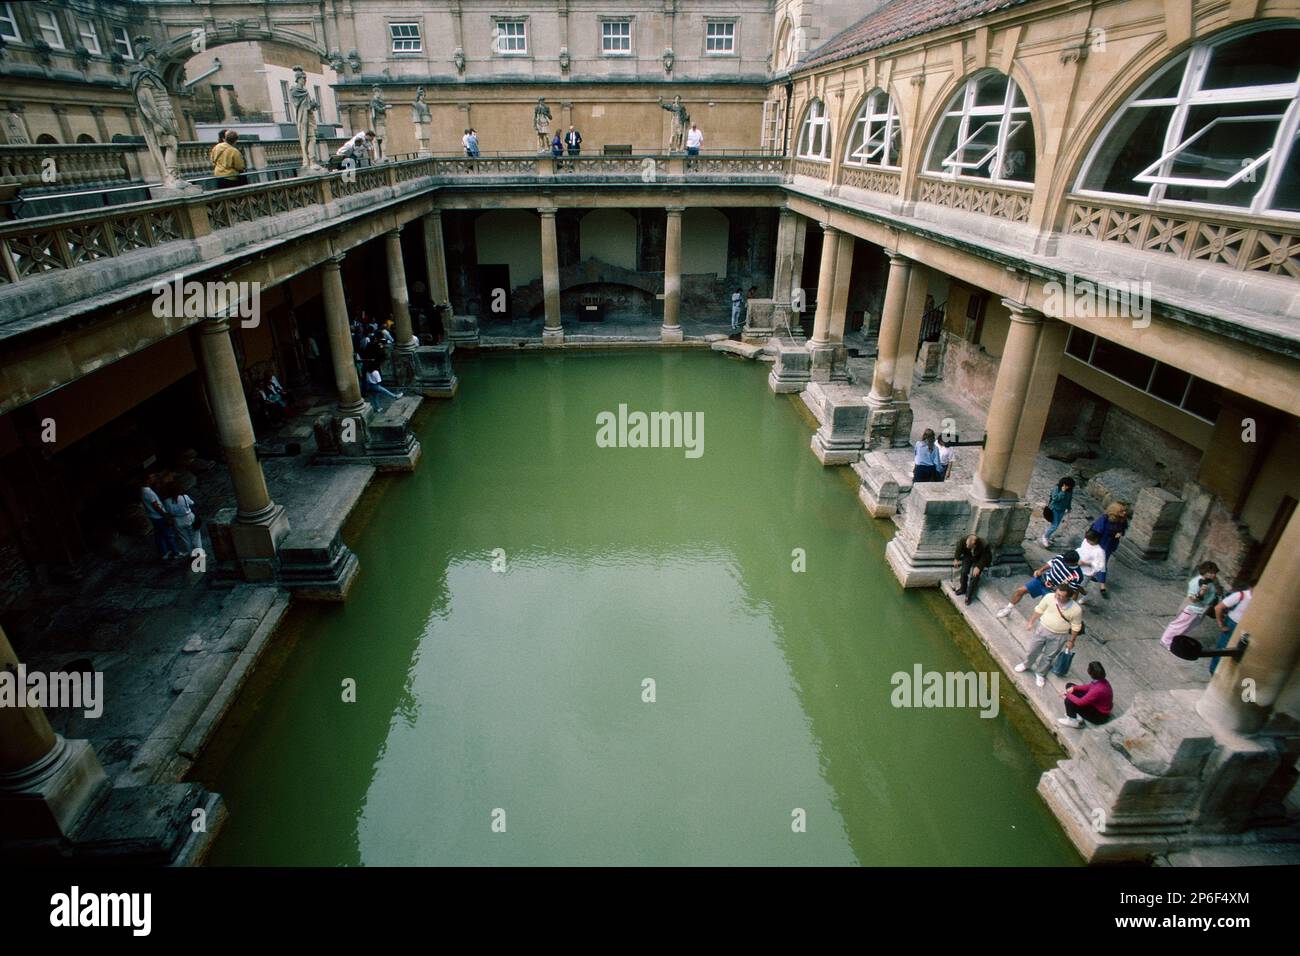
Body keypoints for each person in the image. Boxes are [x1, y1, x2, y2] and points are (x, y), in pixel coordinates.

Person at [1015, 583, 1083, 687]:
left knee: (1049, 656)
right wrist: (1031, 621)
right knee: (1032, 650)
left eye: (1061, 596)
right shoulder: (1049, 597)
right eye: (1057, 594)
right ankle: (1026, 664)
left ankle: (1040, 673)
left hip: (1059, 635)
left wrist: (1071, 641)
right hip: (1043, 628)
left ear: (1068, 597)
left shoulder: (1076, 610)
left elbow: (1076, 626)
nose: (1058, 597)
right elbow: (1039, 609)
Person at [997, 550, 1083, 617]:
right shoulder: (1061, 557)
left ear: (1073, 563)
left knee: (1042, 609)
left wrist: (1065, 602)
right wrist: (1040, 570)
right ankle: (1008, 609)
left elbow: (1072, 591)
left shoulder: (1077, 575)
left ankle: (1038, 625)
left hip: (1053, 591)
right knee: (1020, 590)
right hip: (1042, 580)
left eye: (1066, 562)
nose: (1063, 562)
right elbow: (1050, 564)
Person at [1160, 561, 1222, 650]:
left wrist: (1216, 586)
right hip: (1192, 609)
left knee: (1188, 627)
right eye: (1211, 573)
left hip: (1202, 609)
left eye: (1215, 573)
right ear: (1204, 572)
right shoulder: (1196, 582)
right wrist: (1201, 593)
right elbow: (1192, 599)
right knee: (1178, 625)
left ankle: (1175, 640)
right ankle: (1165, 641)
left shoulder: (1212, 581)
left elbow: (1217, 591)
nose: (1214, 575)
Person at [1209, 579, 1253, 674]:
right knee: (1223, 647)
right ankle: (1214, 670)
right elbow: (1218, 608)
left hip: (1246, 627)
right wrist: (1221, 624)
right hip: (1233, 623)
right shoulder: (1240, 595)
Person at [1088, 501, 1128, 599]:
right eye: (1121, 511)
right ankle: (1102, 585)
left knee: (1102, 562)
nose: (1124, 513)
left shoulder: (1122, 520)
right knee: (1102, 563)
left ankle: (1095, 573)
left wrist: (1120, 533)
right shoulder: (1104, 519)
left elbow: (1123, 529)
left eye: (1124, 511)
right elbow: (1097, 530)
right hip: (1102, 542)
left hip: (1110, 544)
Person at [1059, 661, 1113, 728]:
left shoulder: (1097, 690)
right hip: (1095, 705)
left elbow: (1080, 702)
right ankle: (1077, 714)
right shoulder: (1101, 680)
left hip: (1099, 716)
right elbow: (1089, 687)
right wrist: (1074, 687)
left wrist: (1066, 694)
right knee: (1070, 686)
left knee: (1069, 701)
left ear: (1090, 672)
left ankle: (1072, 721)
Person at [140, 475, 179, 559]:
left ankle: (164, 553)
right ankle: (176, 553)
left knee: (159, 536)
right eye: (152, 477)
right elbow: (156, 506)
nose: (154, 478)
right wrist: (166, 516)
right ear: (147, 480)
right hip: (159, 516)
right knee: (169, 535)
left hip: (153, 516)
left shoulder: (143, 491)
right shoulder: (149, 492)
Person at [162, 480, 200, 559]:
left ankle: (191, 554)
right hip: (189, 517)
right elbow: (192, 504)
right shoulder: (184, 497)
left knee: (186, 539)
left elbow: (167, 511)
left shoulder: (166, 501)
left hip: (177, 521)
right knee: (195, 537)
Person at [952, 534, 991, 606]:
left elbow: (986, 557)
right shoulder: (964, 540)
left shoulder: (984, 545)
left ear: (974, 544)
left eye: (968, 545)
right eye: (966, 544)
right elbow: (959, 548)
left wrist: (979, 567)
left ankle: (968, 596)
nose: (966, 546)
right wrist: (956, 558)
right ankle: (963, 588)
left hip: (979, 559)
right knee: (964, 571)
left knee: (975, 575)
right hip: (968, 556)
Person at [1074, 529, 1107, 605]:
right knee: (1077, 586)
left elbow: (1100, 566)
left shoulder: (1099, 551)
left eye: (1089, 540)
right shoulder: (1086, 541)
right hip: (1078, 568)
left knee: (1076, 589)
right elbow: (1081, 550)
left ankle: (1071, 605)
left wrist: (1087, 564)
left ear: (1095, 540)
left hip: (1087, 573)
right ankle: (1087, 595)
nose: (1087, 541)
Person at [1041, 476, 1075, 547]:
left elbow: (1069, 500)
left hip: (1062, 510)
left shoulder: (1070, 491)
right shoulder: (1057, 488)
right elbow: (1055, 498)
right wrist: (1062, 492)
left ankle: (1047, 536)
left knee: (1054, 525)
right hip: (1054, 509)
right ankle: (1045, 537)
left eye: (1068, 486)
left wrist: (1069, 508)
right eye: (1066, 485)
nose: (1067, 487)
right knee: (1054, 526)